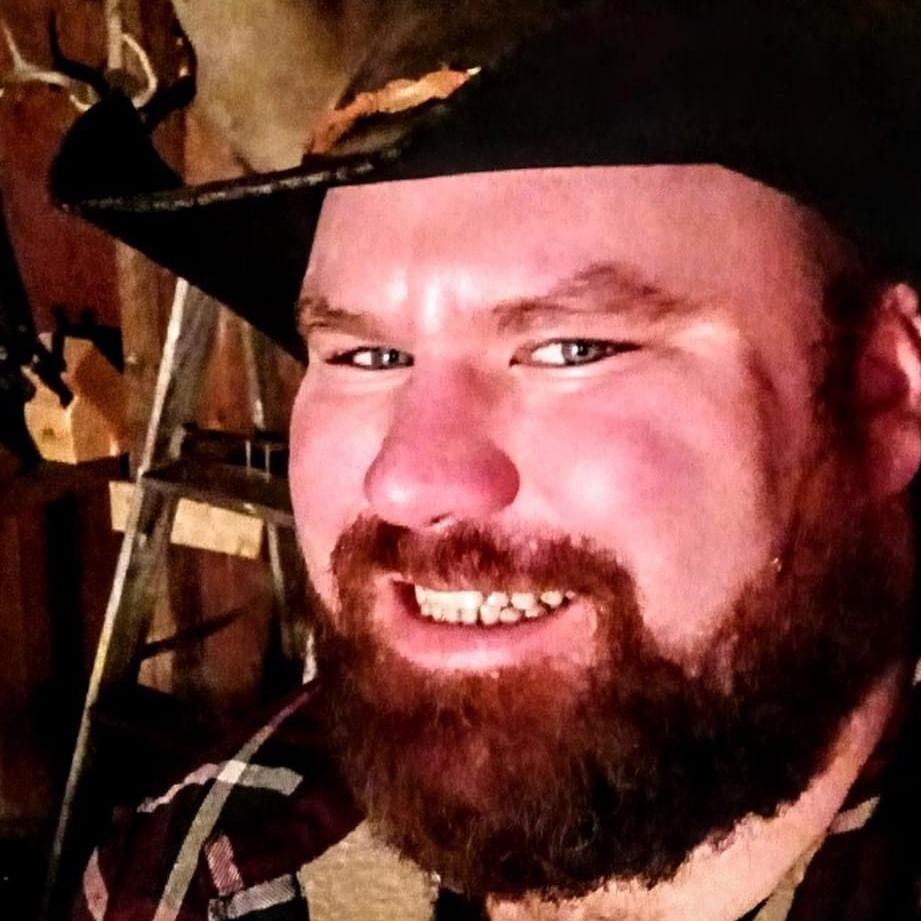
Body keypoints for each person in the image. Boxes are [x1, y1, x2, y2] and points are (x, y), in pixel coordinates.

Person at [53, 1, 921, 919]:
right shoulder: (199, 876)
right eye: (367, 355)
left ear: (882, 395)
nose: (407, 479)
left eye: (571, 348)